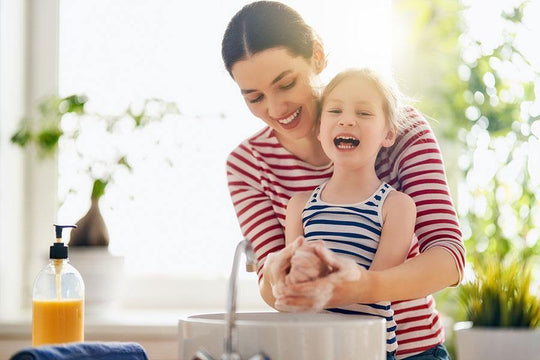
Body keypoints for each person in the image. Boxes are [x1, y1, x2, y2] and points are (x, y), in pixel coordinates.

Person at [221, 2, 464, 359]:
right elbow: (270, 283)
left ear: (317, 56)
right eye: (254, 97)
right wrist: (278, 276)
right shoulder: (248, 164)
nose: (275, 109)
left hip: (414, 352)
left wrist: (358, 287)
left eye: (286, 83)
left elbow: (448, 259)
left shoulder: (398, 129)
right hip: (323, 351)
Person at [284, 68, 417, 359]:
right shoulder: (299, 206)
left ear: (389, 133)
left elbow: (378, 286)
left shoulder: (396, 206)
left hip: (368, 348)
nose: (347, 119)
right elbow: (292, 288)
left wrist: (325, 277)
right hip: (311, 350)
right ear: (319, 130)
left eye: (364, 113)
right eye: (335, 110)